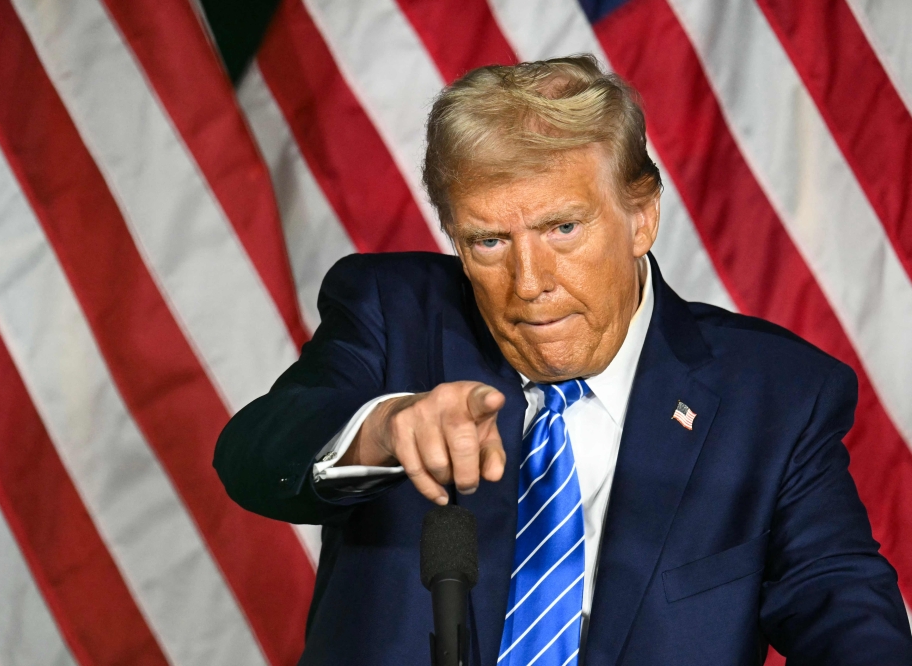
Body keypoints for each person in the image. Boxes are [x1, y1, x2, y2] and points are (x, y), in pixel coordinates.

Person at [214, 55, 912, 665]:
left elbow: (842, 606)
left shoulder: (775, 396)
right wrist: (386, 427)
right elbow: (253, 453)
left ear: (641, 215)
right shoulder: (395, 314)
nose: (529, 282)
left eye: (563, 228)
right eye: (487, 241)